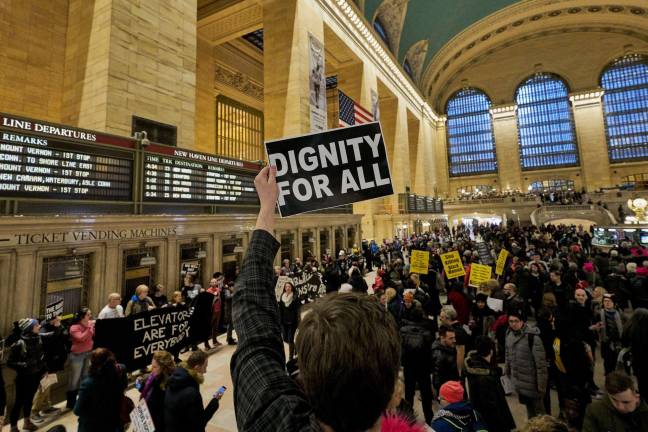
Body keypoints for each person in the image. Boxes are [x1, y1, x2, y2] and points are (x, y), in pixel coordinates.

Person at [230, 165, 401, 431]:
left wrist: (266, 208)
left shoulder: (273, 421)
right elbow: (252, 312)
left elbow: (253, 321)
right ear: (394, 394)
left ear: (304, 380)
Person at [464, 336, 516, 431]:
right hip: (492, 423)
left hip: (481, 420)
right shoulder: (486, 377)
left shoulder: (474, 366)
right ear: (491, 351)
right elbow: (492, 407)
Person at [505, 309, 548, 419]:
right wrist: (508, 373)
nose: (513, 324)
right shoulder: (509, 334)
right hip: (520, 382)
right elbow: (508, 355)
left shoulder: (533, 337)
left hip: (533, 384)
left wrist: (542, 387)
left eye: (516, 321)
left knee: (540, 416)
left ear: (522, 321)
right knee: (530, 411)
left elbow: (541, 365)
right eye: (511, 321)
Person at [165, 350, 222, 432]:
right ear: (197, 367)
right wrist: (214, 402)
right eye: (205, 367)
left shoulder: (175, 378)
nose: (205, 371)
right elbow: (200, 423)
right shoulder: (191, 393)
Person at [73, 348, 128, 432]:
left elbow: (77, 410)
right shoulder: (121, 370)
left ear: (93, 364)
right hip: (114, 421)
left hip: (93, 427)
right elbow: (124, 386)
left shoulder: (88, 384)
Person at [7, 318, 47, 432]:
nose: (39, 327)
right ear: (30, 328)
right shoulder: (20, 343)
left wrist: (44, 369)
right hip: (23, 378)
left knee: (29, 400)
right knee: (19, 402)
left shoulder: (38, 339)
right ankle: (13, 427)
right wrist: (24, 364)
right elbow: (9, 362)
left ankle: (27, 422)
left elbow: (41, 357)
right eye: (36, 326)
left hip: (35, 376)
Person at [31, 314, 69, 422]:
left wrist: (59, 327)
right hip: (46, 363)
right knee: (43, 387)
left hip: (54, 361)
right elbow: (49, 339)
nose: (59, 318)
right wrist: (57, 328)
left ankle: (46, 406)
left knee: (49, 385)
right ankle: (34, 412)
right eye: (56, 317)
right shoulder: (44, 327)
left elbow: (65, 336)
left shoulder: (57, 326)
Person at [582, 370, 648, 431]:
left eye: (625, 402)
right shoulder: (594, 410)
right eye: (615, 400)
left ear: (636, 396)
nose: (620, 407)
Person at [138, 351, 175, 432]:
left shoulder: (168, 386)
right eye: (152, 365)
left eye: (155, 367)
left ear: (164, 368)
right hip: (148, 418)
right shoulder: (154, 377)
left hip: (158, 424)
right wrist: (142, 387)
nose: (151, 369)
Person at [67, 308, 95, 410]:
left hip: (88, 353)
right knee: (75, 379)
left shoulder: (90, 325)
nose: (90, 316)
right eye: (88, 315)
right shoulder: (74, 327)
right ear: (82, 316)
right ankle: (71, 403)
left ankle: (84, 398)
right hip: (77, 355)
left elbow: (93, 336)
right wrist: (89, 328)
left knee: (86, 377)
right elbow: (81, 338)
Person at [597, 294, 623, 375]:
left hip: (617, 342)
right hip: (606, 342)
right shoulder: (599, 314)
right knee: (608, 363)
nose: (607, 303)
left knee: (617, 362)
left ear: (614, 303)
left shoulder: (619, 313)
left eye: (609, 301)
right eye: (605, 301)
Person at [440, 305, 468, 376]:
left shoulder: (458, 332)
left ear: (448, 318)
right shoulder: (451, 328)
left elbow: (460, 354)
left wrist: (459, 373)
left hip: (455, 369)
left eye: (442, 317)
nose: (440, 319)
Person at [431, 325, 459, 394]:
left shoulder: (448, 346)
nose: (454, 340)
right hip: (446, 390)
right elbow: (438, 377)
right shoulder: (439, 355)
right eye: (451, 338)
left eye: (454, 338)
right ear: (442, 338)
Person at [279, 281, 300, 360]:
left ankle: (290, 358)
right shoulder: (282, 296)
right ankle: (296, 349)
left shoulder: (295, 297)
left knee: (290, 338)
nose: (287, 288)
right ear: (284, 288)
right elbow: (280, 309)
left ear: (292, 288)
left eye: (289, 286)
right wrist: (280, 320)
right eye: (286, 287)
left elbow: (298, 310)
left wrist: (298, 321)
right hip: (284, 321)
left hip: (292, 322)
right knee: (285, 338)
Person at [206, 277, 223, 347]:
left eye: (215, 282)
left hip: (218, 311)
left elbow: (219, 298)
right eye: (212, 282)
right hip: (211, 312)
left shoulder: (218, 289)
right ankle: (206, 344)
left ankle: (215, 341)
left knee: (215, 327)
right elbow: (207, 303)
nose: (214, 283)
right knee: (208, 328)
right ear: (210, 283)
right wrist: (214, 298)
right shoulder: (208, 291)